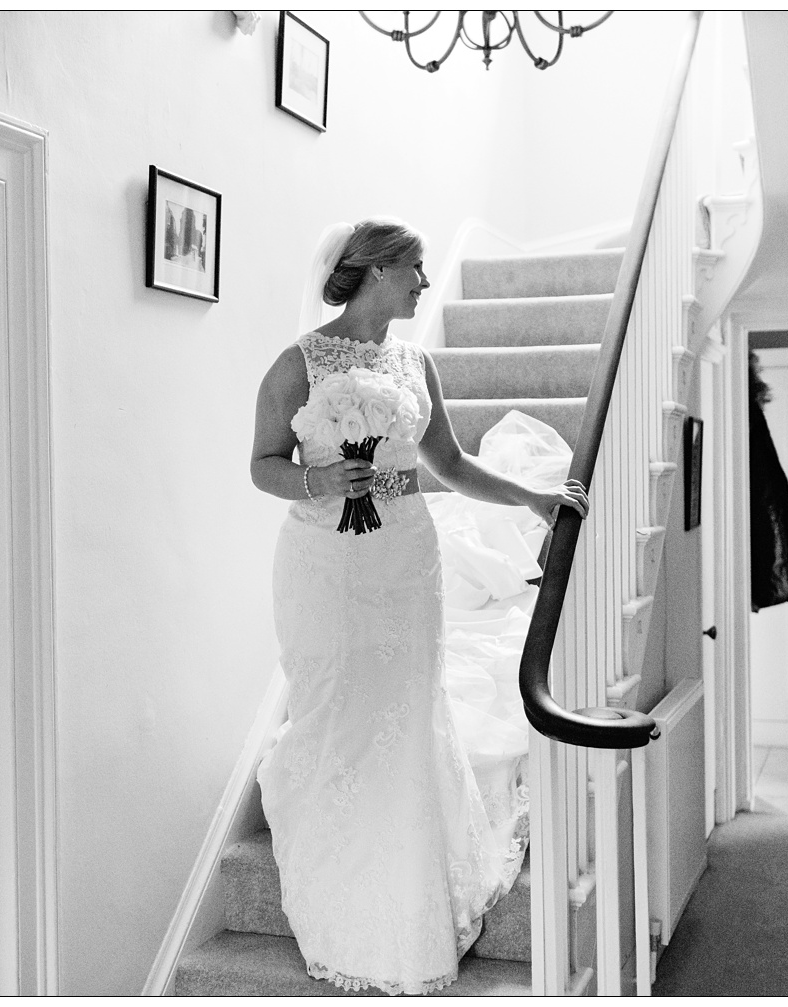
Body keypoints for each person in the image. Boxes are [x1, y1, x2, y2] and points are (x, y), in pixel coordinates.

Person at [249, 218, 588, 995]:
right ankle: (343, 877)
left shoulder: (415, 361)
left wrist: (532, 496)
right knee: (337, 704)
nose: (425, 282)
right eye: (414, 268)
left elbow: (451, 463)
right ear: (372, 272)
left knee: (407, 706)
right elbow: (262, 464)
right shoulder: (294, 364)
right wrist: (319, 481)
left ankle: (408, 897)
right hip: (323, 560)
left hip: (405, 553)